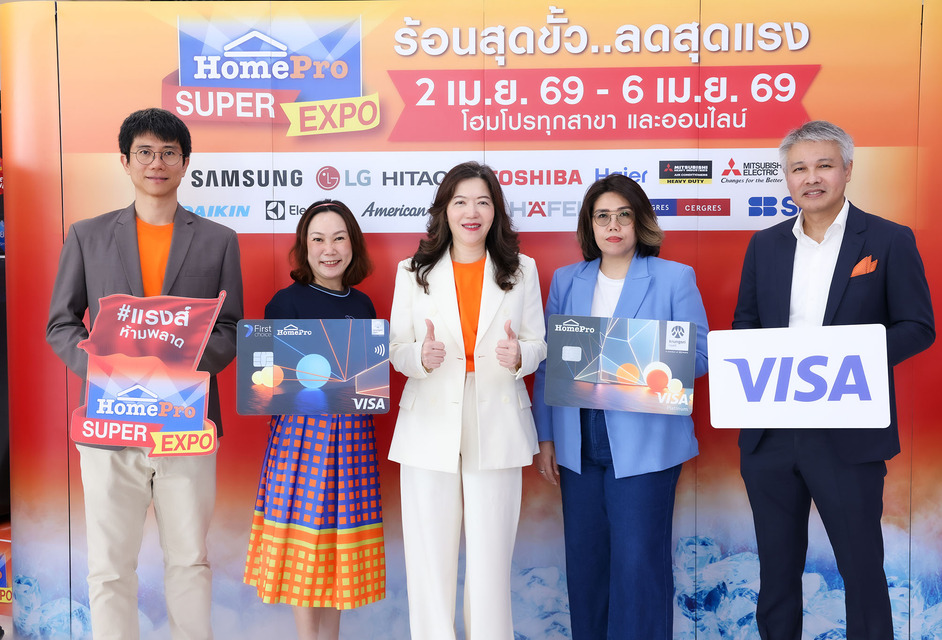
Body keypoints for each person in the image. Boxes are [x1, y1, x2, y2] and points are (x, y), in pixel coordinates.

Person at [732, 120, 935, 640]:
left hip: (849, 435)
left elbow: (918, 327)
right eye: (798, 168)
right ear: (786, 177)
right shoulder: (765, 245)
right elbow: (745, 327)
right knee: (776, 575)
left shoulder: (889, 239)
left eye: (824, 165)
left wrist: (846, 358)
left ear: (847, 170)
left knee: (861, 572)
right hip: (771, 435)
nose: (811, 178)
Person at [46, 108, 243, 640]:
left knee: (190, 559)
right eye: (145, 153)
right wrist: (105, 368)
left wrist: (179, 364)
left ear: (185, 163)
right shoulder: (86, 236)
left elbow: (230, 328)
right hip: (110, 426)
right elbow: (61, 324)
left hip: (188, 425)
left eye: (168, 153)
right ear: (125, 161)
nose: (157, 163)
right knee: (109, 566)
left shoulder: (219, 240)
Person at [531, 174, 709, 640]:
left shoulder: (674, 277)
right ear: (589, 225)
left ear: (639, 221)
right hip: (577, 441)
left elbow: (701, 356)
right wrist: (545, 436)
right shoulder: (567, 280)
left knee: (638, 566)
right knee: (586, 565)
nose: (613, 226)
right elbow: (549, 364)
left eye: (623, 215)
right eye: (603, 216)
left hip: (645, 445)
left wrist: (622, 360)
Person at [388, 161, 547, 640]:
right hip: (428, 420)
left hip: (497, 417)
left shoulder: (522, 270)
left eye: (482, 202)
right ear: (445, 210)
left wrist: (521, 355)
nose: (471, 212)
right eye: (460, 202)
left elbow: (538, 343)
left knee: (490, 559)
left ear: (496, 211)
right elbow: (396, 348)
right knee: (428, 558)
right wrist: (420, 356)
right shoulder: (412, 272)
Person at [242, 199, 385, 640]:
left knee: (340, 547)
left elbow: (368, 382)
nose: (329, 249)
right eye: (318, 239)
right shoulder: (285, 303)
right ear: (304, 248)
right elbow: (263, 385)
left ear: (353, 244)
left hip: (353, 443)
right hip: (301, 441)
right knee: (306, 544)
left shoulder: (364, 305)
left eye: (339, 238)